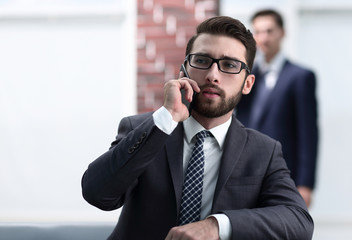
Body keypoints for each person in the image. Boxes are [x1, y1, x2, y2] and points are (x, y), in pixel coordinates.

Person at [81, 16, 313, 240]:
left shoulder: (264, 151)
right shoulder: (144, 128)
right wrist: (167, 118)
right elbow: (97, 194)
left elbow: (299, 222)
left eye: (229, 65)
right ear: (184, 71)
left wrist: (217, 226)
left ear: (248, 83)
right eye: (202, 61)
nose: (213, 75)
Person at [235, 9, 319, 207]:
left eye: (269, 31)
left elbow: (308, 134)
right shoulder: (246, 78)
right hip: (246, 174)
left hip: (284, 173)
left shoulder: (300, 77)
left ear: (282, 32)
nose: (263, 38)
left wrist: (305, 184)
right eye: (258, 32)